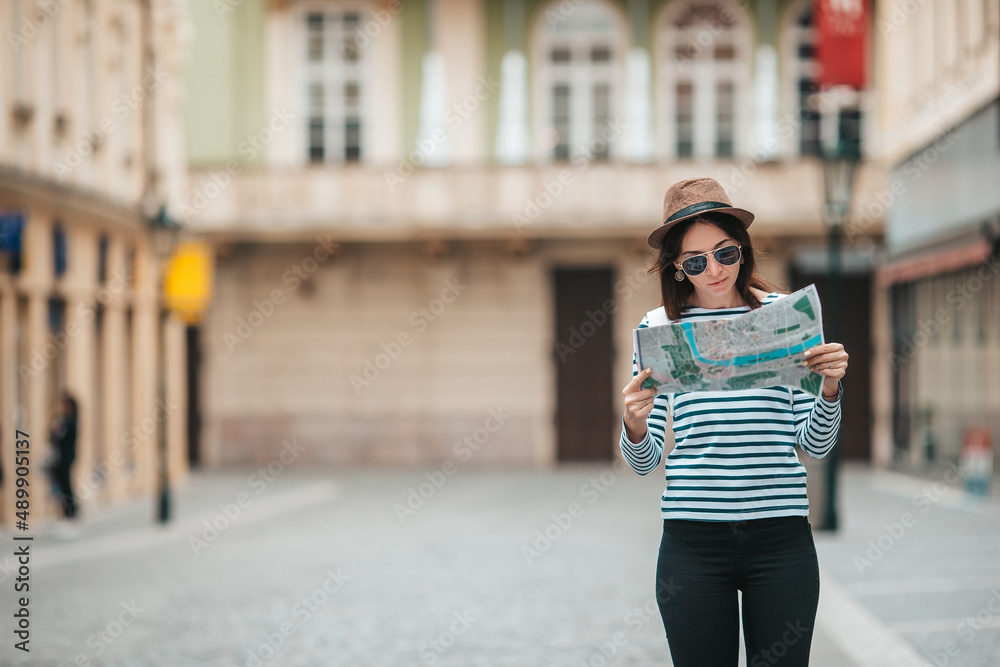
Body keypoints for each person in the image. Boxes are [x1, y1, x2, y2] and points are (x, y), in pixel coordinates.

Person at [619, 177, 848, 667]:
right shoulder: (657, 329)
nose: (714, 270)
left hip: (782, 538)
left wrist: (829, 390)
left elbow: (815, 443)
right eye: (696, 261)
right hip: (692, 542)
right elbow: (645, 462)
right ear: (678, 269)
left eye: (724, 253)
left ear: (742, 249)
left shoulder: (786, 318)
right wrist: (635, 426)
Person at [48, 391, 79, 528]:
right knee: (62, 485)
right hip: (60, 458)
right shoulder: (62, 420)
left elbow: (69, 439)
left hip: (66, 457)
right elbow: (52, 438)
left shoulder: (71, 422)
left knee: (66, 485)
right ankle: (67, 511)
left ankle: (71, 511)